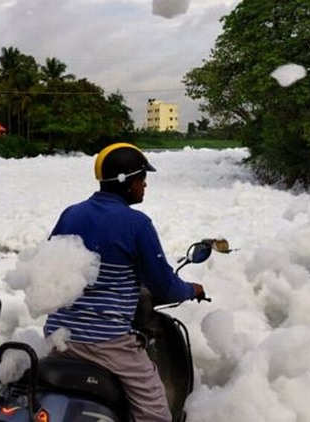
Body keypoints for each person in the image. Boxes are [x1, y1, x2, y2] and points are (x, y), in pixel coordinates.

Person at [44, 142, 205, 421]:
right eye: (142, 179)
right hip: (105, 342)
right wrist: (192, 289)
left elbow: (48, 267)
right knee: (155, 410)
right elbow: (164, 286)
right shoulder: (137, 224)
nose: (145, 186)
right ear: (127, 182)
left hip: (59, 335)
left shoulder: (71, 214)